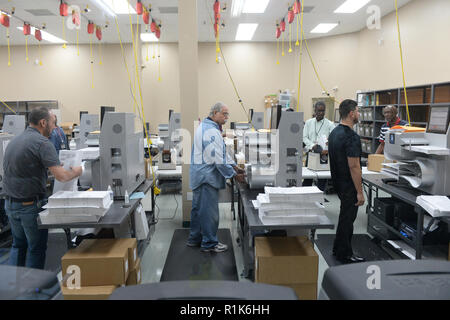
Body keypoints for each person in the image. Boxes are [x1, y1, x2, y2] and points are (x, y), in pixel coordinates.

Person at [3, 107, 83, 269]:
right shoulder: (42, 143)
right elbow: (62, 177)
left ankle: (13, 288)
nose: (55, 128)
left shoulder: (14, 141)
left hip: (10, 204)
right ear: (43, 122)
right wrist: (78, 171)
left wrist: (49, 166)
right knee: (36, 248)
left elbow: (25, 167)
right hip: (30, 207)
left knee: (18, 246)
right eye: (53, 123)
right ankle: (33, 291)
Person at [187, 102, 245, 253]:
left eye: (227, 114)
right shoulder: (211, 131)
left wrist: (234, 166)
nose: (226, 117)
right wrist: (234, 175)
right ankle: (209, 243)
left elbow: (222, 153)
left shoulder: (208, 127)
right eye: (224, 114)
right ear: (214, 113)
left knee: (198, 209)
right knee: (208, 212)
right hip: (206, 178)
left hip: (199, 176)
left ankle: (194, 238)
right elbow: (218, 159)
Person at [328, 99, 365, 264]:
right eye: (357, 111)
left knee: (344, 218)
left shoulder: (334, 133)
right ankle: (345, 254)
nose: (358, 114)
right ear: (351, 114)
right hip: (349, 185)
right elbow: (354, 166)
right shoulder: (352, 137)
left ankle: (338, 249)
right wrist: (360, 192)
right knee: (348, 220)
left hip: (338, 183)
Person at [303, 101, 335, 191]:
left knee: (322, 180)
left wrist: (329, 143)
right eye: (319, 110)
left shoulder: (329, 124)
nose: (321, 113)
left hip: (323, 155)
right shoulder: (309, 123)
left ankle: (319, 201)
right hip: (312, 154)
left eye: (323, 111)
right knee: (307, 179)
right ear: (315, 110)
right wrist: (312, 145)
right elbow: (304, 137)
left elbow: (334, 139)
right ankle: (306, 198)